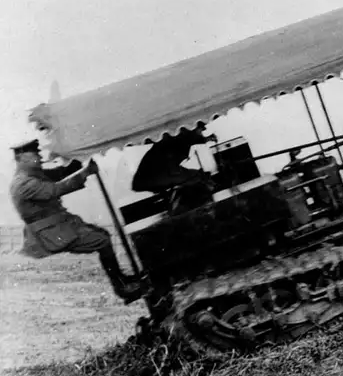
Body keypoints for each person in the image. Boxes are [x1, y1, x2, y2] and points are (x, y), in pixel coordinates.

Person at [8, 139, 143, 301]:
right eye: (34, 154)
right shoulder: (23, 183)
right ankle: (121, 288)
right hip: (50, 233)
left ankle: (121, 280)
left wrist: (81, 160)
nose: (39, 156)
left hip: (60, 225)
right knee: (101, 240)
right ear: (21, 159)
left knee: (102, 234)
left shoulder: (32, 176)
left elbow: (61, 172)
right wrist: (85, 172)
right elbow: (56, 189)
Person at [132, 124, 215, 212]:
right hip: (154, 175)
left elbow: (179, 148)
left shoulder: (181, 172)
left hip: (154, 176)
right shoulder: (178, 152)